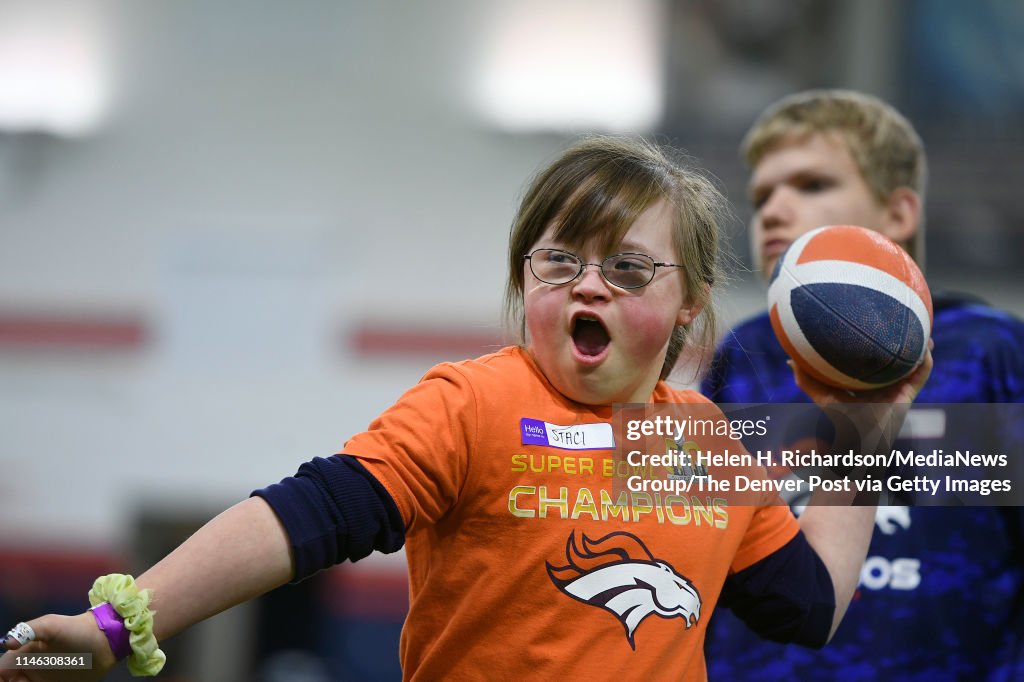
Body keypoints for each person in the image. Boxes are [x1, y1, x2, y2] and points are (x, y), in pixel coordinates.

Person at [0, 136, 930, 681]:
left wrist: (866, 421)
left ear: (688, 305)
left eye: (629, 270)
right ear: (524, 281)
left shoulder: (702, 443)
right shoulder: (475, 404)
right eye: (559, 262)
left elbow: (808, 607)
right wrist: (113, 628)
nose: (588, 288)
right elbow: (307, 515)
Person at [702, 89, 1024, 680]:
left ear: (898, 214)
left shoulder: (990, 352)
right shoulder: (740, 357)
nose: (773, 209)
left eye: (812, 184)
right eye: (761, 195)